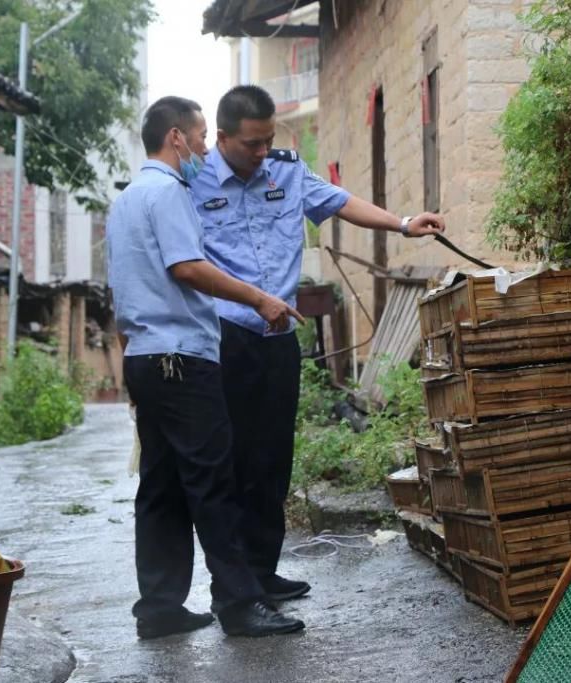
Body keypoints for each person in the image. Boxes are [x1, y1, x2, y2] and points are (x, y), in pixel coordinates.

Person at [189, 85, 447, 605]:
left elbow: (341, 201)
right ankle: (234, 587)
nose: (262, 153)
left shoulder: (285, 170)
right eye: (251, 144)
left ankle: (263, 571)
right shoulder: (191, 181)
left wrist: (402, 223)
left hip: (279, 337)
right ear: (221, 138)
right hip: (225, 338)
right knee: (232, 462)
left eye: (268, 141)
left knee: (272, 459)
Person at [106, 95, 308, 639]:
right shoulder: (170, 193)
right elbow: (189, 268)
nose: (202, 147)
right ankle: (240, 604)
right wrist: (259, 298)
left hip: (145, 357)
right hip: (182, 359)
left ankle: (160, 606)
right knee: (213, 482)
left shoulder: (126, 200)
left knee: (162, 484)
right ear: (175, 137)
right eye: (198, 137)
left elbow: (122, 292)